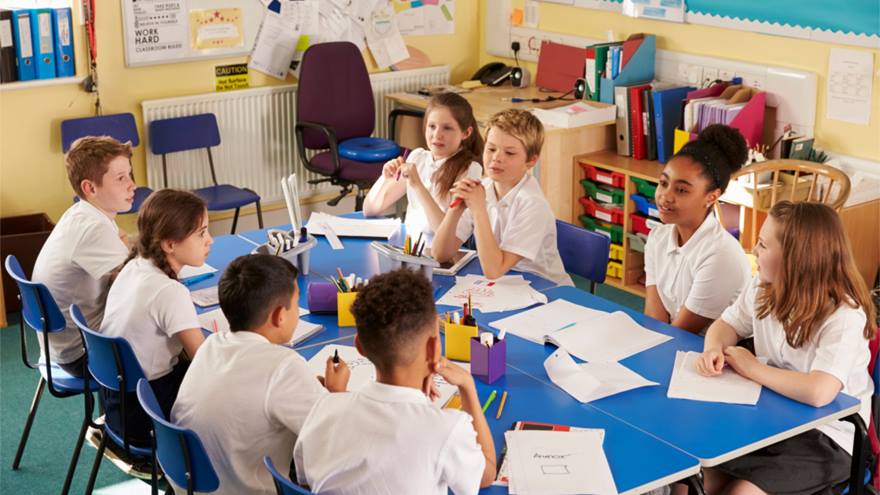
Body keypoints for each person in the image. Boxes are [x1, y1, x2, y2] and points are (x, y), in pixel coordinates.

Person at [697, 201, 876, 495]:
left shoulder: (844, 315)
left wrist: (753, 368)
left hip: (830, 437)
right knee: (700, 480)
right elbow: (726, 325)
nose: (755, 250)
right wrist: (713, 348)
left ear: (797, 259)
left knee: (741, 492)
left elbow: (820, 392)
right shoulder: (764, 286)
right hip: (774, 418)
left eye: (764, 245)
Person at [294, 269, 496, 494]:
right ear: (434, 348)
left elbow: (303, 481)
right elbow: (486, 476)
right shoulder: (447, 429)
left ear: (359, 347)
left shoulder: (323, 407)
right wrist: (467, 385)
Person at [432, 108, 572, 286]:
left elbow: (493, 270)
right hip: (508, 284)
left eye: (510, 153)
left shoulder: (532, 204)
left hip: (548, 290)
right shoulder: (485, 187)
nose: (496, 158)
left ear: (531, 161)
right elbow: (440, 254)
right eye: (491, 149)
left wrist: (478, 209)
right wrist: (456, 209)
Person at [644, 124, 751, 334]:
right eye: (663, 183)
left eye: (682, 190)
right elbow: (654, 319)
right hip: (673, 343)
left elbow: (682, 332)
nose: (666, 196)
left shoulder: (721, 255)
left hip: (714, 356)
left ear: (711, 196)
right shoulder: (658, 237)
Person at [363, 92, 483, 243]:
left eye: (447, 128)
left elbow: (447, 237)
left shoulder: (470, 170)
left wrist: (418, 186)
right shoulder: (417, 157)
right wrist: (385, 178)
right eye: (432, 126)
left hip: (441, 255)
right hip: (410, 247)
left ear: (466, 133)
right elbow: (370, 209)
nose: (437, 135)